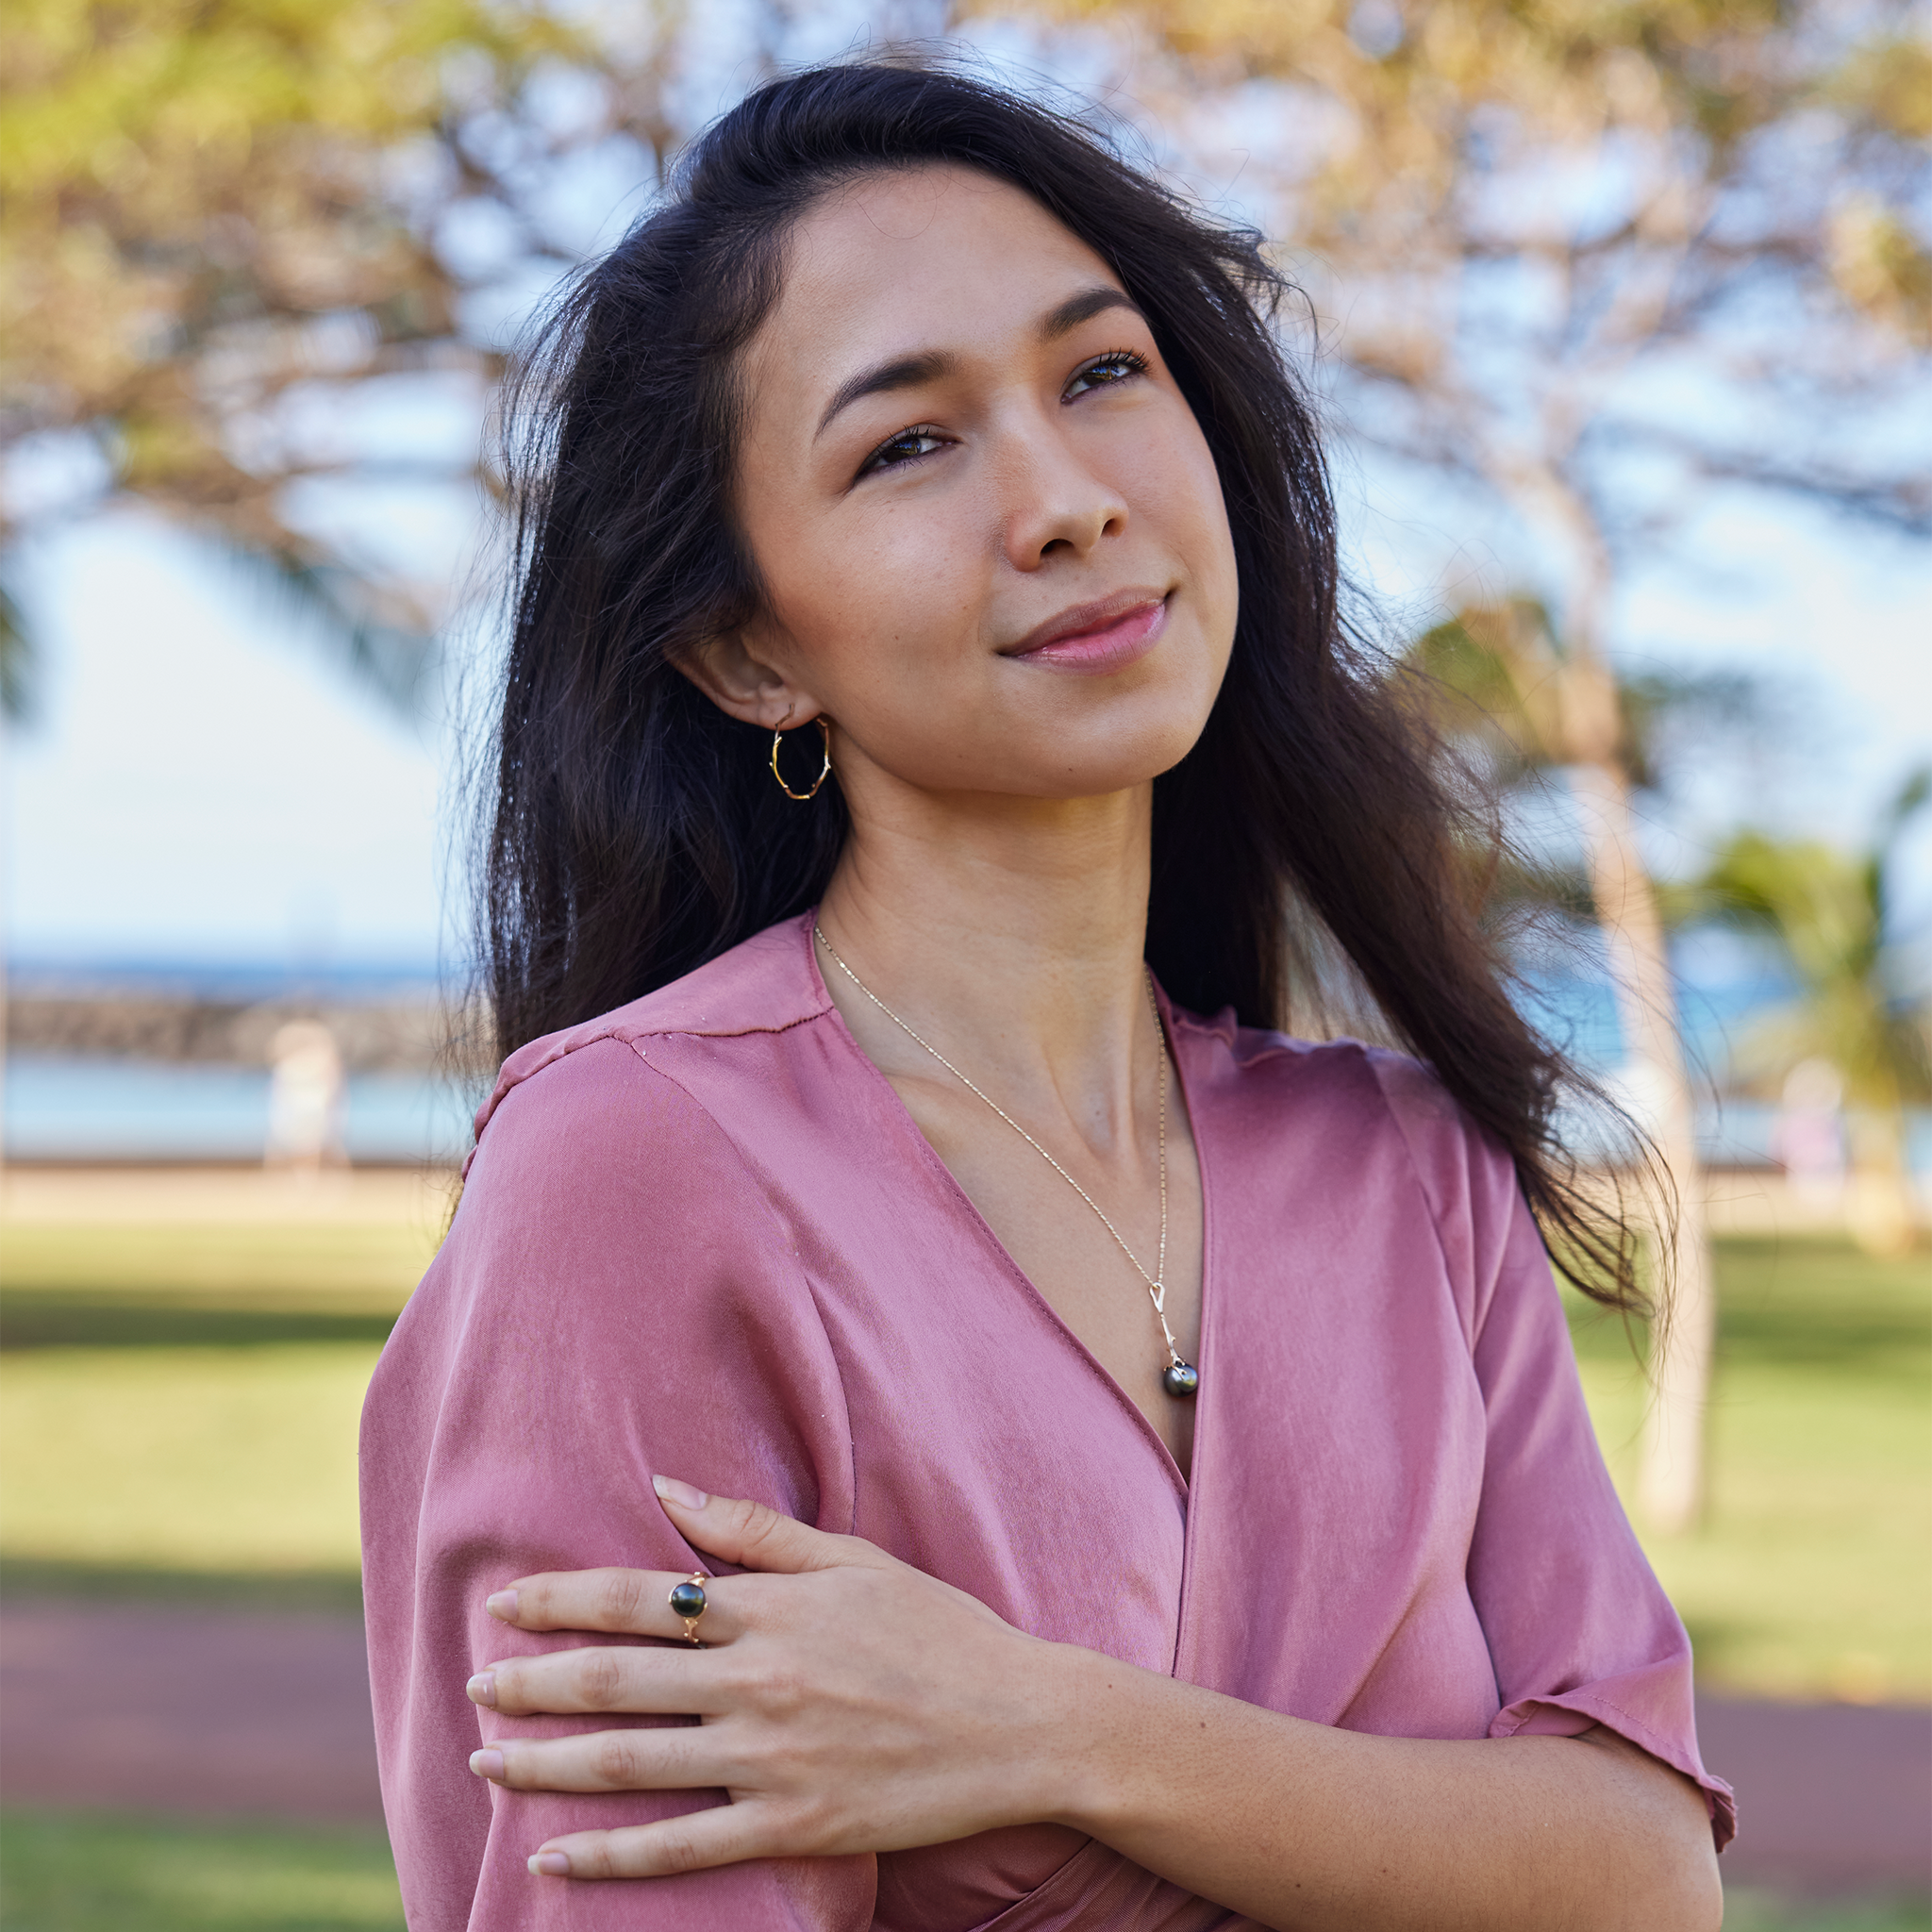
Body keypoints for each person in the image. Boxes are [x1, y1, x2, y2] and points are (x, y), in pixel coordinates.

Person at [359, 60, 1732, 1932]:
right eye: (906, 445)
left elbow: (1640, 1873)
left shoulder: (1403, 1170)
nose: (1070, 501)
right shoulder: (641, 1166)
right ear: (751, 647)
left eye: (1100, 374)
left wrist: (1050, 1726)